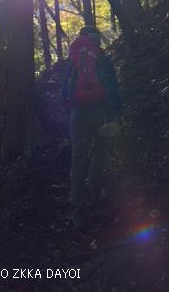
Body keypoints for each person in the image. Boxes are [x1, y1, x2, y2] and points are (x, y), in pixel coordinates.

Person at [62, 26, 123, 230]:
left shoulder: (73, 59)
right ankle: (95, 189)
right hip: (98, 109)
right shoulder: (102, 59)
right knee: (99, 149)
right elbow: (112, 86)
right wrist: (117, 112)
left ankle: (78, 201)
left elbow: (64, 87)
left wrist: (68, 108)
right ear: (96, 39)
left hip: (77, 111)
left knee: (78, 155)